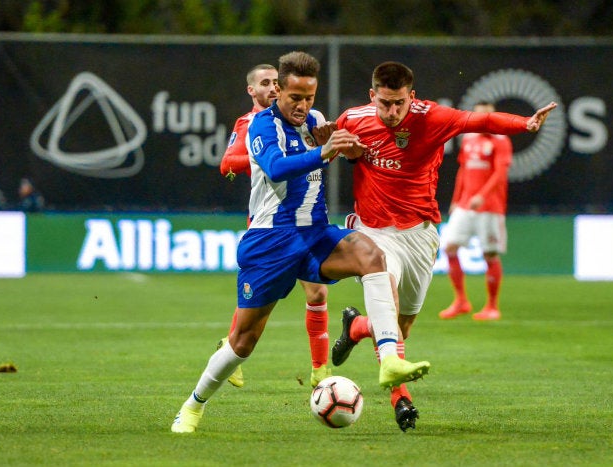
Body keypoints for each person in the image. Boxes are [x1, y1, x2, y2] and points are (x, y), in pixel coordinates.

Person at [171, 51, 430, 434]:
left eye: (309, 97)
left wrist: (349, 150)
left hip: (314, 234)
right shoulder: (261, 125)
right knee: (243, 341)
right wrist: (323, 151)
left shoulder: (317, 122)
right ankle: (192, 406)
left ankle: (390, 357)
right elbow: (275, 168)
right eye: (295, 97)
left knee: (371, 255)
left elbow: (344, 152)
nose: (303, 105)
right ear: (278, 91)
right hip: (269, 243)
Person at [331, 61, 556, 431]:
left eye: (399, 103)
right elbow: (320, 145)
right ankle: (400, 399)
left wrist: (525, 123)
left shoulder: (431, 116)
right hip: (371, 233)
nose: (391, 112)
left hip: (419, 234)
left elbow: (479, 122)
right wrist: (327, 142)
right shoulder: (353, 119)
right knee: (384, 291)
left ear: (411, 97)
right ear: (373, 96)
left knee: (400, 327)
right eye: (385, 103)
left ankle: (357, 327)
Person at [218, 63, 332, 389]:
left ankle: (320, 369)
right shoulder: (251, 123)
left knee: (318, 290)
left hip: (305, 220)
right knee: (257, 305)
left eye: (273, 82)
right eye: (263, 83)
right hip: (270, 225)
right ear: (252, 91)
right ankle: (232, 349)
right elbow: (227, 163)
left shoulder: (304, 119)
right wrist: (263, 157)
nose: (270, 87)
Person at [439, 101, 511, 321]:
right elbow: (463, 169)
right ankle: (461, 300)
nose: (483, 121)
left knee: (489, 253)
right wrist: (456, 198)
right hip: (465, 205)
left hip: (489, 207)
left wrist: (483, 195)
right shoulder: (468, 138)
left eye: (487, 116)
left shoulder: (501, 141)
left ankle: (492, 306)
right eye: (479, 116)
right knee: (450, 247)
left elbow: (500, 172)